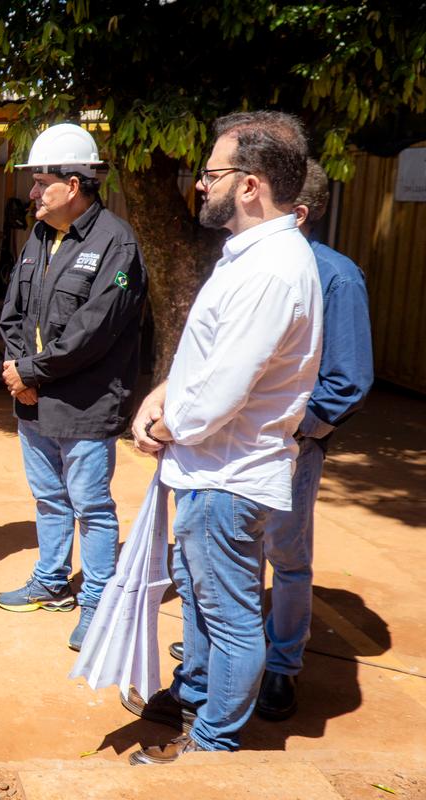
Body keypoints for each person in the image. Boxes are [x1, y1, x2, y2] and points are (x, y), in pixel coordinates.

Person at [127, 110, 321, 764]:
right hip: (211, 468)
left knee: (233, 620)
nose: (199, 184)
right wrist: (163, 396)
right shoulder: (252, 257)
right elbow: (204, 359)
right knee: (208, 605)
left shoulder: (270, 270)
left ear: (249, 185)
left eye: (211, 174)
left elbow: (223, 389)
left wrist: (164, 424)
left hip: (226, 475)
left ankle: (211, 744)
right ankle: (194, 696)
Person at [167, 158, 374, 721]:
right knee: (219, 567)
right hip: (228, 449)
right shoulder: (245, 263)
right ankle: (211, 673)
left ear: (295, 210)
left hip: (283, 449)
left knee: (285, 561)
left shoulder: (332, 275)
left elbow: (348, 379)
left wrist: (292, 427)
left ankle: (280, 669)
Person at [0, 122, 149, 651]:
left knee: (91, 505)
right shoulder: (40, 236)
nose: (33, 193)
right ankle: (52, 581)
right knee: (48, 499)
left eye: (41, 183)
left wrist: (32, 373)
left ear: (74, 185)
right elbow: (14, 312)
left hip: (84, 403)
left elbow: (96, 330)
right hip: (33, 399)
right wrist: (20, 374)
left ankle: (98, 603)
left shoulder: (116, 244)